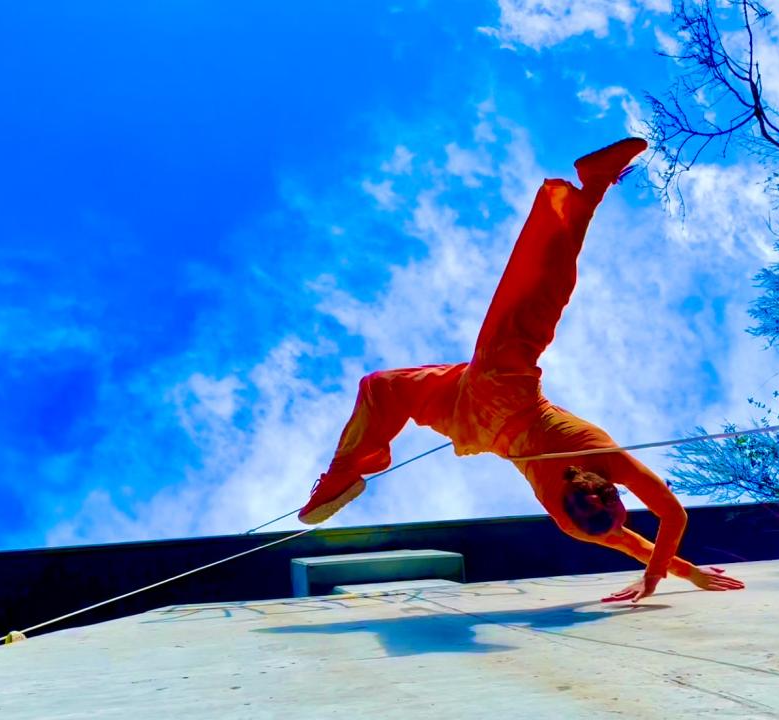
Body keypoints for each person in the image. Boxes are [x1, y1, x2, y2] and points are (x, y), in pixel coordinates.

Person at [299, 138, 744, 603]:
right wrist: (673, 576)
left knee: (538, 295)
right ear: (613, 497)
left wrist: (666, 571)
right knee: (384, 386)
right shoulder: (600, 485)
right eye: (603, 500)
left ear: (571, 507)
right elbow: (667, 521)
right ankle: (345, 471)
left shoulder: (584, 515)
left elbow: (644, 532)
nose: (592, 497)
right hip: (478, 420)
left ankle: (591, 187)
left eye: (583, 503)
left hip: (494, 398)